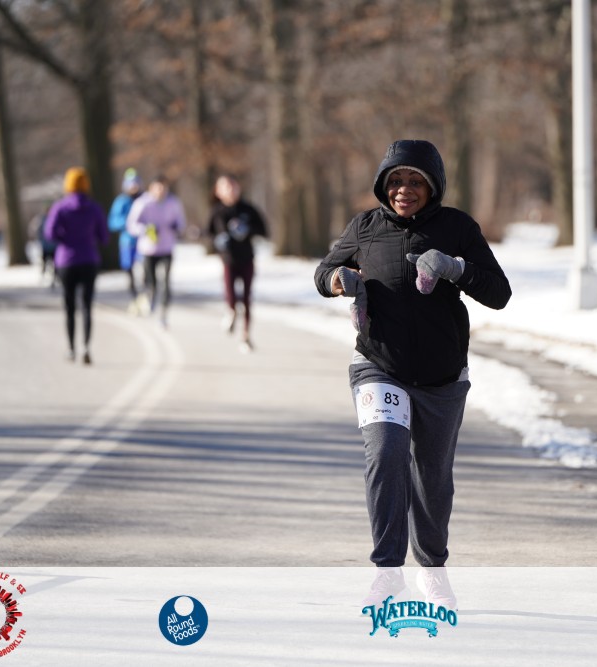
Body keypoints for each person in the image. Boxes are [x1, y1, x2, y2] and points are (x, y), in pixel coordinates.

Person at [314, 139, 511, 609]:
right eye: (396, 180)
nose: (404, 189)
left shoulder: (457, 227)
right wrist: (340, 280)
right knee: (386, 453)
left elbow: (499, 293)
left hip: (443, 375)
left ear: (433, 185)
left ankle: (433, 569)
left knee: (432, 476)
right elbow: (324, 272)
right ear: (383, 184)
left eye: (415, 180)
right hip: (378, 365)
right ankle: (387, 572)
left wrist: (455, 268)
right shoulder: (365, 226)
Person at [44, 167, 109, 364]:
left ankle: (71, 349)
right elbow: (104, 237)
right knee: (87, 306)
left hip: (66, 262)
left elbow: (49, 233)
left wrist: (65, 237)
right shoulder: (94, 208)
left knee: (70, 306)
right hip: (89, 260)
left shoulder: (60, 208)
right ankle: (86, 347)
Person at [206, 174, 269, 352]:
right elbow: (208, 233)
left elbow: (263, 230)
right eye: (225, 187)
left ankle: (246, 336)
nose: (230, 190)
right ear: (218, 191)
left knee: (247, 298)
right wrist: (218, 241)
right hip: (228, 260)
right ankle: (231, 312)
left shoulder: (248, 209)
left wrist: (247, 230)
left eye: (233, 186)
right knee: (231, 295)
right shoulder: (217, 211)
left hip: (247, 258)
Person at [126, 174, 186, 328]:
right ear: (151, 188)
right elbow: (131, 224)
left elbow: (181, 222)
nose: (161, 191)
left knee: (165, 281)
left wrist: (176, 227)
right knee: (151, 281)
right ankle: (150, 300)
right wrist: (146, 229)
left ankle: (164, 312)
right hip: (148, 249)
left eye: (164, 187)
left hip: (167, 248)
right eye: (158, 188)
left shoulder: (173, 202)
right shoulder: (142, 203)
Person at [108, 168, 144, 313]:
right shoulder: (121, 201)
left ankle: (144, 296)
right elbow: (112, 222)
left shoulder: (144, 200)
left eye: (136, 183)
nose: (134, 187)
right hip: (127, 243)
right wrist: (128, 223)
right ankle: (134, 298)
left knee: (143, 271)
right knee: (130, 273)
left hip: (143, 243)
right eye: (131, 184)